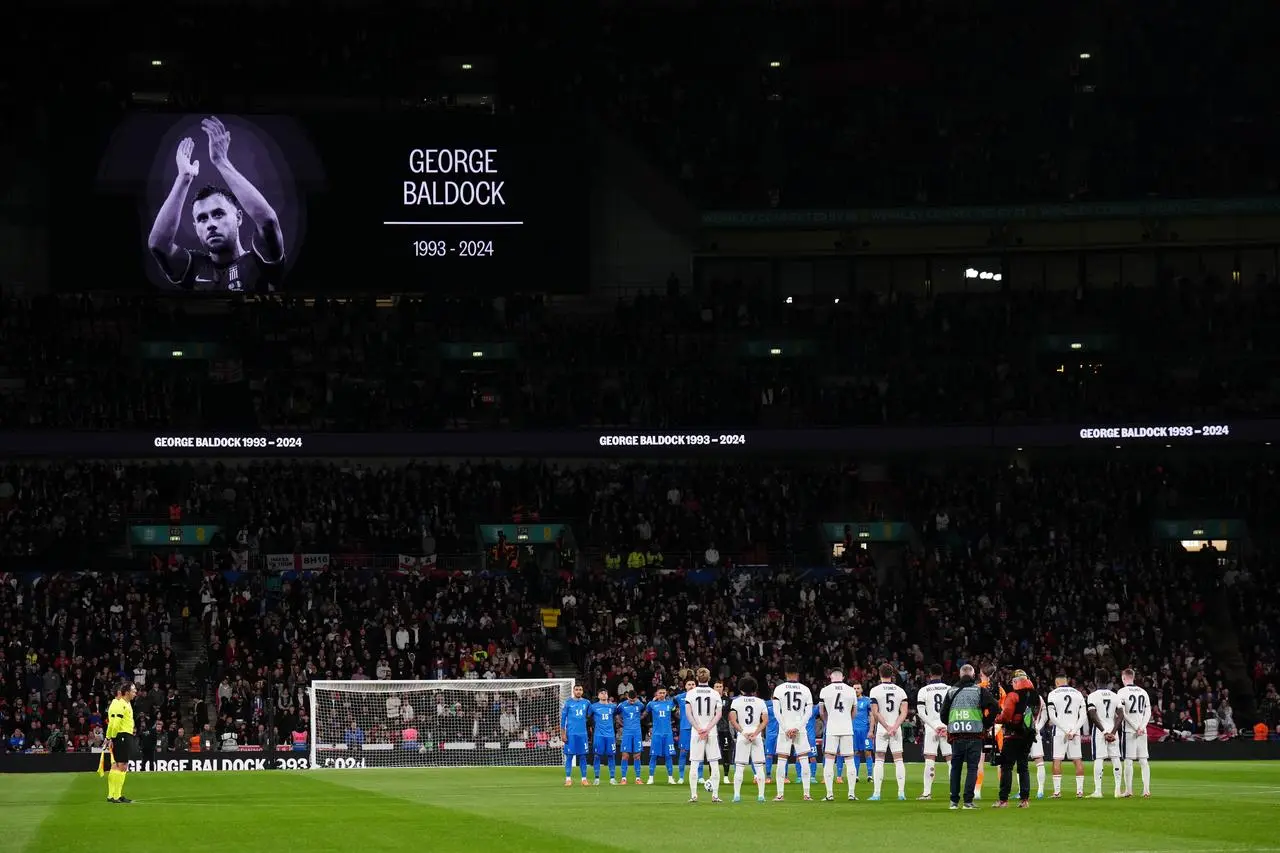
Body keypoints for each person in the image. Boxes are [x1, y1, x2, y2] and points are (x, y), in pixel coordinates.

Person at [147, 116, 285, 293]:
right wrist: (183, 178)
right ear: (196, 227)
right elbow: (157, 245)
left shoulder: (260, 261)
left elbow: (268, 222)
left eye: (218, 214)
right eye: (202, 218)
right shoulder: (194, 267)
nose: (211, 224)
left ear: (238, 217)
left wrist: (222, 161)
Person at [938, 663, 1001, 809]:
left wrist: (953, 723)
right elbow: (995, 707)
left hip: (956, 735)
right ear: (973, 676)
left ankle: (953, 801)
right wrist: (986, 723)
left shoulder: (952, 691)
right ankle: (968, 801)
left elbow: (942, 715)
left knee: (956, 768)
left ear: (960, 675)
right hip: (975, 734)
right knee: (972, 768)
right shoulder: (979, 690)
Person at [994, 669, 1043, 808]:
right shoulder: (1036, 696)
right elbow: (1035, 716)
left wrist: (997, 719)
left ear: (1016, 681)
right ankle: (1025, 800)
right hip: (1027, 736)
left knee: (1007, 766)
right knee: (1023, 767)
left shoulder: (1013, 695)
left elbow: (1006, 716)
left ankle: (1003, 800)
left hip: (1012, 735)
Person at [771, 662, 815, 801]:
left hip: (784, 728)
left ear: (785, 674)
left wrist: (786, 728)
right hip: (799, 728)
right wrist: (798, 727)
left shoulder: (779, 689)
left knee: (782, 760)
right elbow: (808, 712)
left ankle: (780, 794)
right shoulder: (805, 689)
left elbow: (776, 712)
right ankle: (807, 794)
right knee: (804, 760)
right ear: (797, 674)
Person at [868, 663, 909, 801]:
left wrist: (886, 727)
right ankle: (901, 793)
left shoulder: (875, 690)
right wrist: (894, 727)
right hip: (896, 729)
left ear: (879, 674)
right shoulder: (900, 691)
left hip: (882, 729)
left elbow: (875, 712)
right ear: (892, 675)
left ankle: (877, 793)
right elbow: (904, 712)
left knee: (879, 760)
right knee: (898, 760)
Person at [684, 667, 724, 803]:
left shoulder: (691, 693)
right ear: (709, 677)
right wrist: (707, 729)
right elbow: (718, 714)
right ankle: (715, 795)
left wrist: (699, 729)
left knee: (694, 763)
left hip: (697, 732)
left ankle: (694, 795)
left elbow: (688, 713)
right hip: (711, 731)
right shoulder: (715, 693)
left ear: (697, 678)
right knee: (714, 763)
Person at [818, 668, 858, 801]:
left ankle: (829, 794)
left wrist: (827, 722)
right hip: (847, 728)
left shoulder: (825, 690)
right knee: (850, 760)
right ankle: (851, 794)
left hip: (832, 728)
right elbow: (854, 712)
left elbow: (821, 711)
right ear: (843, 677)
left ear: (831, 677)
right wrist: (847, 721)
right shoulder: (851, 690)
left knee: (829, 760)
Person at [729, 675, 769, 803]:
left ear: (741, 688)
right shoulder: (761, 701)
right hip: (756, 735)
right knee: (759, 766)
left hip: (743, 735)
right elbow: (765, 720)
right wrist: (756, 733)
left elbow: (732, 719)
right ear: (754, 688)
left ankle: (736, 795)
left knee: (740, 766)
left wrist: (743, 732)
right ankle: (761, 795)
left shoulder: (736, 701)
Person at [1046, 674, 1087, 798]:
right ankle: (1079, 791)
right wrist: (1073, 731)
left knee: (1057, 760)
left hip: (1060, 732)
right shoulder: (1078, 693)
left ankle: (1057, 792)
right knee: (1077, 760)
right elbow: (1083, 716)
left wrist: (1065, 730)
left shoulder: (1053, 694)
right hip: (1075, 732)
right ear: (1066, 681)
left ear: (1057, 683)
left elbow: (1052, 717)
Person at [915, 663, 952, 800]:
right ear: (942, 674)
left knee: (930, 760)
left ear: (929, 675)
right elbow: (953, 711)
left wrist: (933, 726)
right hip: (947, 728)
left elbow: (920, 712)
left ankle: (926, 793)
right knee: (951, 760)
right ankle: (954, 792)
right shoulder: (950, 689)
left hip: (931, 729)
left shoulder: (924, 690)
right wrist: (946, 726)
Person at [1115, 668, 1153, 798]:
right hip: (1143, 731)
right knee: (1144, 761)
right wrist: (1142, 726)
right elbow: (1148, 712)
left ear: (1124, 678)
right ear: (1133, 677)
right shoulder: (1143, 692)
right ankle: (1146, 790)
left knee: (1128, 761)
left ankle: (1129, 790)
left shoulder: (1121, 692)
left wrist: (1136, 727)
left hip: (1129, 731)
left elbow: (1122, 713)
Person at [1086, 670, 1123, 798]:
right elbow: (1121, 715)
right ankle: (1118, 791)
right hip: (1113, 730)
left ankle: (1098, 791)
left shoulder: (1093, 696)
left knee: (1099, 758)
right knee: (1115, 758)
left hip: (1100, 731)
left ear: (1096, 679)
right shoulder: (1115, 696)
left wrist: (1104, 732)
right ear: (1108, 680)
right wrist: (1112, 732)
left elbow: (1092, 715)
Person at [105, 682, 138, 804]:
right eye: (133, 691)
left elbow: (111, 724)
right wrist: (112, 738)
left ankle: (112, 795)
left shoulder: (124, 704)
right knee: (122, 766)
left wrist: (109, 737)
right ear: (126, 692)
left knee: (116, 766)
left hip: (122, 735)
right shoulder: (120, 705)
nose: (135, 693)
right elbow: (114, 724)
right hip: (122, 736)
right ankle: (116, 796)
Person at [560, 684, 591, 786]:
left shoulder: (587, 703)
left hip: (582, 734)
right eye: (576, 689)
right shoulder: (568, 702)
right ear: (573, 691)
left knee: (583, 757)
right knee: (569, 757)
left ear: (582, 691)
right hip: (571, 734)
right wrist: (563, 733)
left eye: (580, 690)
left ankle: (584, 779)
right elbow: (563, 719)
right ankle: (568, 779)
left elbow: (591, 715)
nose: (578, 691)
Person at [644, 688, 677, 785]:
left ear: (666, 693)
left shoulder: (670, 704)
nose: (662, 694)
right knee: (654, 756)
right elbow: (646, 715)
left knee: (668, 756)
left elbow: (675, 713)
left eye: (663, 693)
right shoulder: (651, 704)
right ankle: (651, 778)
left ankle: (670, 778)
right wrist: (649, 727)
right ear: (656, 694)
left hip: (668, 734)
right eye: (660, 693)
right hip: (656, 734)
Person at [588, 689, 619, 785]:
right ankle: (597, 778)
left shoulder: (613, 706)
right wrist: (591, 727)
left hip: (610, 735)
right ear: (598, 695)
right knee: (597, 755)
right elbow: (588, 718)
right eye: (602, 693)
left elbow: (617, 716)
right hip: (599, 735)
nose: (604, 694)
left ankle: (612, 778)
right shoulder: (593, 707)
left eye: (605, 693)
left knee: (611, 755)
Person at [673, 677, 699, 785]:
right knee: (683, 753)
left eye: (693, 684)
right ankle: (681, 777)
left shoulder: (700, 697)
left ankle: (700, 776)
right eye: (689, 684)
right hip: (685, 727)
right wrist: (676, 713)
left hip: (697, 727)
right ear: (685, 686)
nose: (691, 686)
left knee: (698, 753)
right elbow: (671, 707)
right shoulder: (679, 697)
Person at [616, 691, 645, 784]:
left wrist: (637, 721)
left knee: (637, 756)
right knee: (625, 755)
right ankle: (623, 778)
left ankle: (638, 778)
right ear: (627, 697)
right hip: (627, 732)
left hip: (637, 732)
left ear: (636, 697)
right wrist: (621, 723)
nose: (632, 702)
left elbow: (645, 713)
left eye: (633, 700)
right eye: (630, 700)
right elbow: (616, 714)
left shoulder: (640, 705)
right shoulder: (621, 705)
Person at [852, 681, 874, 784]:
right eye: (854, 688)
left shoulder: (867, 701)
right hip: (853, 731)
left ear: (861, 690)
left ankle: (870, 775)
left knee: (867, 752)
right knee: (856, 752)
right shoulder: (850, 701)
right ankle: (855, 776)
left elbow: (872, 716)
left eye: (858, 688)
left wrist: (871, 730)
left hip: (865, 731)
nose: (856, 690)